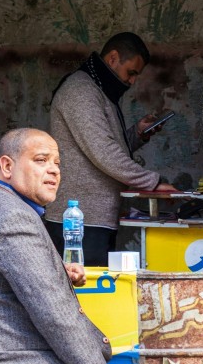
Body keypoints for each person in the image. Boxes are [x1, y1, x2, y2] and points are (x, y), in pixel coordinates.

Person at [0, 128, 151, 364]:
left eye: (57, 163)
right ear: (7, 166)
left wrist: (57, 271)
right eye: (41, 160)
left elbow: (20, 277)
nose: (53, 171)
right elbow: (53, 313)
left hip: (7, 361)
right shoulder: (11, 217)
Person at [46, 32, 173, 265]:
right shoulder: (80, 91)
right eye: (131, 72)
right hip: (79, 222)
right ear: (113, 58)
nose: (132, 81)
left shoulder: (99, 90)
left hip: (94, 218)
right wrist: (152, 182)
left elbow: (103, 146)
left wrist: (136, 134)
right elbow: (103, 152)